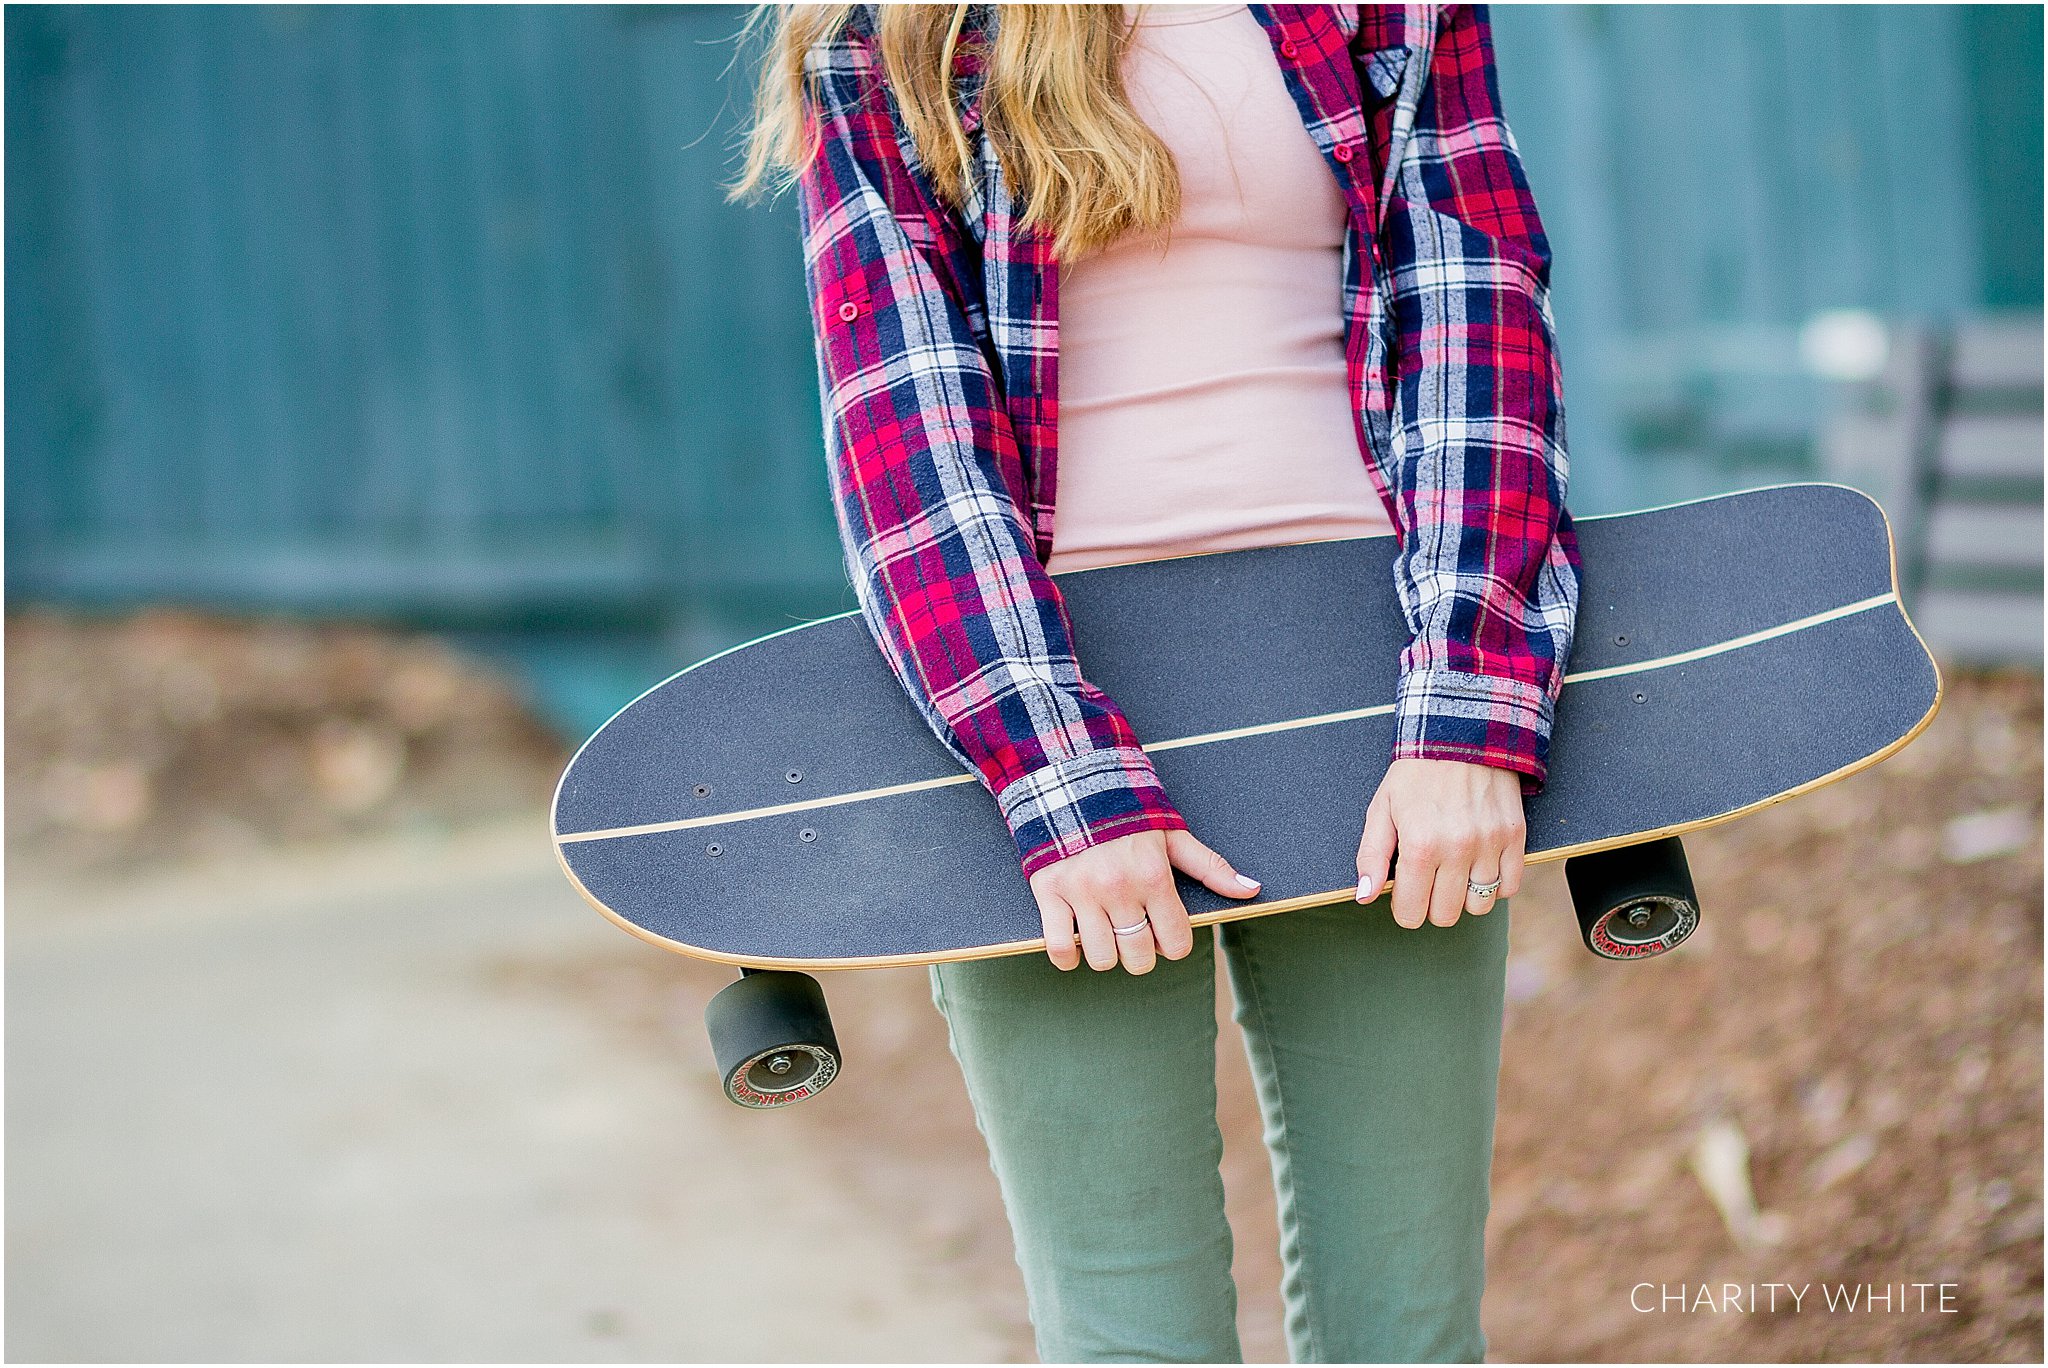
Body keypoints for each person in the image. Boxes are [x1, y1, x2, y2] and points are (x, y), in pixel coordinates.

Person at [734, 3, 1581, 1360]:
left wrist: (1467, 706)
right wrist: (1056, 774)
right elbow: (902, 419)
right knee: (1132, 1333)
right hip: (1045, 720)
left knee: (1411, 1333)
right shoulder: (895, 29)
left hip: (1373, 701)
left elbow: (1477, 308)